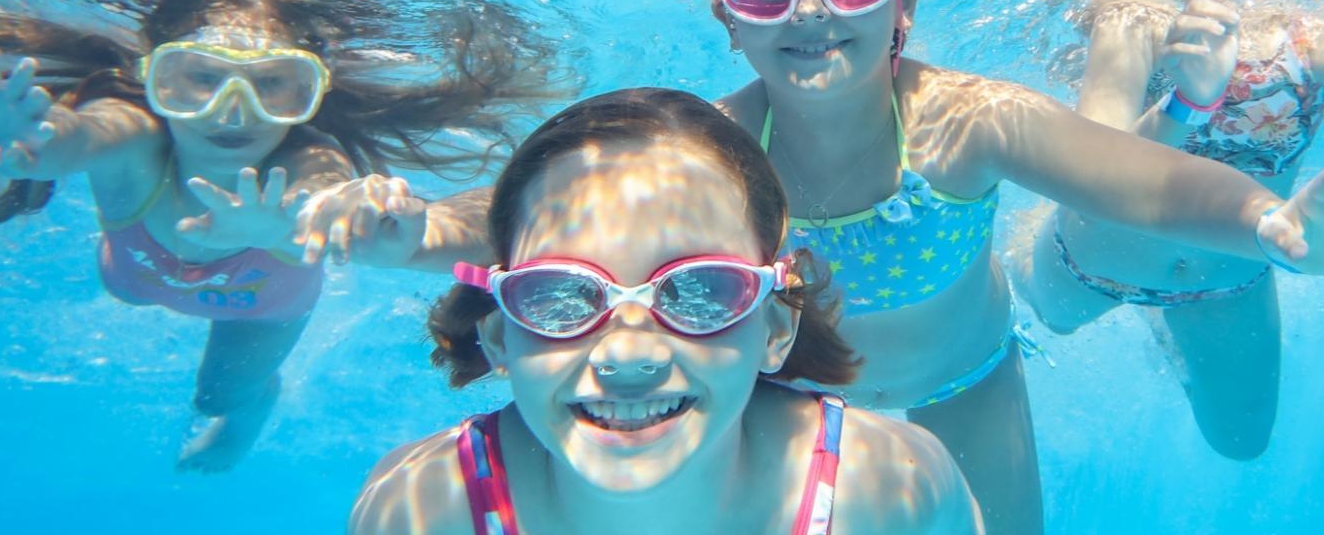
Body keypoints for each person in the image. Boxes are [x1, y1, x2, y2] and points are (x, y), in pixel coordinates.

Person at [318, 0, 1324, 532]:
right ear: (730, 13)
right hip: (781, 398)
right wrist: (416, 229)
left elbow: (1139, 181)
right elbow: (568, 219)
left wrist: (1270, 222)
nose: (809, 5)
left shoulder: (965, 122)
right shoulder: (719, 146)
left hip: (966, 376)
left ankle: (1128, 204)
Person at [0, 0, 548, 471]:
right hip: (139, 278)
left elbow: (323, 197)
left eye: (275, 85)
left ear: (311, 94)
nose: (233, 111)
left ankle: (246, 417)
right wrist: (34, 142)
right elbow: (79, 136)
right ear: (153, 79)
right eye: (198, 80)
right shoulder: (135, 135)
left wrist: (320, 220)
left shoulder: (308, 157)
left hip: (261, 310)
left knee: (220, 393)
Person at [350, 88, 981, 534]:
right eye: (560, 296)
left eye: (700, 290)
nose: (628, 355)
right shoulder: (425, 511)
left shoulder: (888, 492)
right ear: (498, 339)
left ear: (775, 328)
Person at [1013, 0, 1324, 459]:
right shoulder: (1135, 14)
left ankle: (1166, 323)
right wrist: (1189, 101)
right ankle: (1027, 231)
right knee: (1052, 319)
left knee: (1240, 441)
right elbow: (1087, 181)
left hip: (1227, 282)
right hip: (1092, 262)